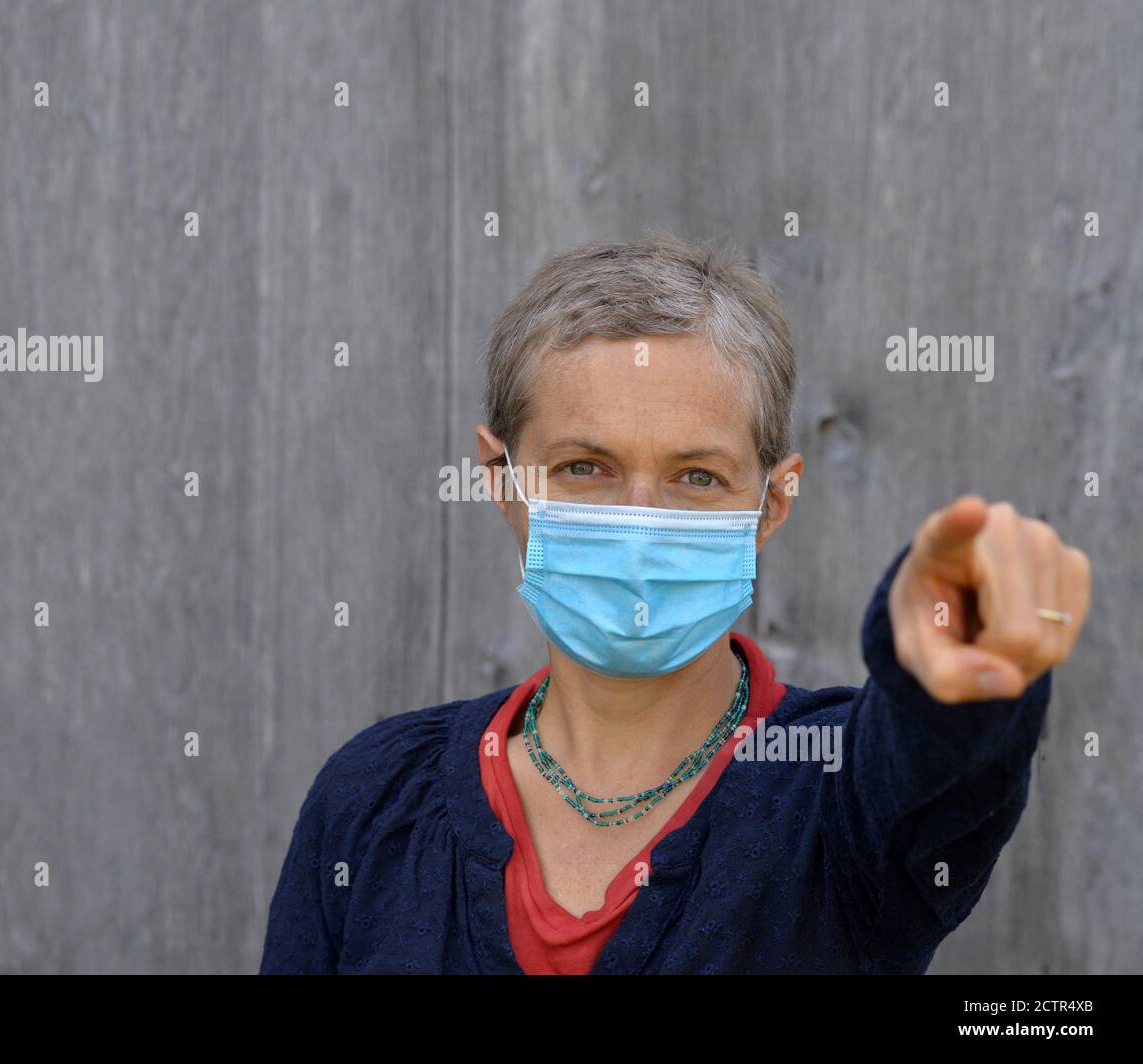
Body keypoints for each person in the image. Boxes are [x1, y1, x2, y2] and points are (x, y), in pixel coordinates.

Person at [259, 234, 1091, 974]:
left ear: (773, 503)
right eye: (585, 467)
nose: (640, 524)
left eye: (698, 477)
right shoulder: (372, 801)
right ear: (500, 480)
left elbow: (942, 758)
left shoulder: (836, 799)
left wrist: (949, 639)